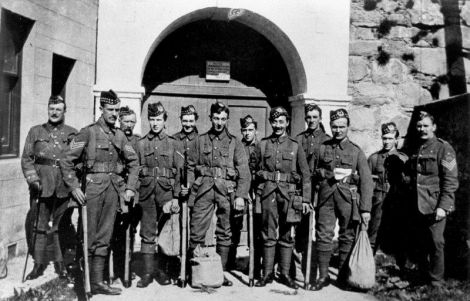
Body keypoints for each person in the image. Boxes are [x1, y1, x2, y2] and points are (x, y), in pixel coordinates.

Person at [60, 90, 139, 295]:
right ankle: (83, 281)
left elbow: (134, 162)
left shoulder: (120, 135)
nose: (114, 113)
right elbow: (67, 161)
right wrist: (74, 187)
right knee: (88, 236)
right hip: (91, 191)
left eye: (116, 110)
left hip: (112, 190)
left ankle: (97, 282)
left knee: (105, 236)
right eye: (110, 109)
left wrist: (130, 188)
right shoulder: (88, 133)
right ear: (101, 109)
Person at [188, 101, 250, 287]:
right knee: (197, 230)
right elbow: (190, 166)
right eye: (216, 118)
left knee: (225, 231)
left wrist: (240, 195)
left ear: (227, 119)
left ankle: (219, 274)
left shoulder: (234, 143)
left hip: (226, 191)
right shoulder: (200, 140)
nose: (219, 122)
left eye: (223, 119)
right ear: (210, 118)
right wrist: (190, 187)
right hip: (204, 189)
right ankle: (195, 271)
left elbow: (244, 171)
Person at [313, 108, 373, 291]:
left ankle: (342, 277)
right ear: (330, 126)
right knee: (323, 235)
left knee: (347, 236)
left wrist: (365, 209)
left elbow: (366, 181)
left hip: (348, 199)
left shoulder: (356, 151)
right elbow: (313, 172)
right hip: (326, 198)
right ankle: (323, 276)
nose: (338, 130)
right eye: (334, 127)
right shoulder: (322, 147)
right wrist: (323, 173)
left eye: (342, 127)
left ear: (348, 127)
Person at [21, 95, 77, 280]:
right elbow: (27, 159)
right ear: (48, 109)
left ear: (64, 111)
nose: (54, 112)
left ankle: (60, 264)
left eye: (58, 109)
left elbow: (78, 161)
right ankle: (38, 264)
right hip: (41, 186)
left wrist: (73, 184)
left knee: (60, 227)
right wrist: (33, 179)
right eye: (51, 108)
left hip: (62, 187)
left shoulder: (73, 134)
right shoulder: (35, 131)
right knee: (39, 225)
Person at [254, 106, 311, 289]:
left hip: (289, 194)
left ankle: (285, 274)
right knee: (267, 233)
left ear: (287, 123)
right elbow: (254, 169)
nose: (277, 125)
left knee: (287, 234)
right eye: (274, 122)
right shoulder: (263, 145)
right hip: (268, 192)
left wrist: (306, 199)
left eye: (281, 122)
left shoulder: (295, 145)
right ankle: (267, 273)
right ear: (270, 122)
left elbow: (305, 175)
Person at [405, 111, 458, 287]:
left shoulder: (444, 148)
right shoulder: (417, 147)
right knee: (420, 241)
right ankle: (421, 276)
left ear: (434, 127)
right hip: (417, 203)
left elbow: (450, 180)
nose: (422, 129)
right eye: (419, 126)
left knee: (436, 242)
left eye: (426, 126)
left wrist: (443, 206)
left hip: (435, 204)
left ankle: (436, 281)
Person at [136, 102, 181, 288]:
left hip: (166, 195)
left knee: (164, 234)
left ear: (165, 121)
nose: (155, 123)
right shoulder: (141, 143)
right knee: (147, 233)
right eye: (152, 119)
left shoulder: (173, 143)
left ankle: (161, 271)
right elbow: (136, 170)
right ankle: (147, 273)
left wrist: (176, 196)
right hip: (146, 194)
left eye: (158, 119)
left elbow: (180, 172)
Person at [293, 103, 330, 284]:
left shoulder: (328, 140)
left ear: (320, 118)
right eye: (309, 117)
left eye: (315, 117)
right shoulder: (299, 139)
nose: (312, 120)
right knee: (301, 227)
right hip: (302, 189)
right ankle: (301, 268)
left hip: (321, 189)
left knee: (320, 230)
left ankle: (316, 269)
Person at [110, 106, 140, 284]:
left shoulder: (138, 142)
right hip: (114, 190)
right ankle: (112, 270)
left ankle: (126, 270)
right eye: (126, 121)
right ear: (120, 121)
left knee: (130, 232)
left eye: (132, 122)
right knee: (112, 231)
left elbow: (139, 166)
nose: (129, 125)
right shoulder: (113, 138)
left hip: (132, 193)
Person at [367, 122, 407, 256]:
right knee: (373, 233)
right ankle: (368, 266)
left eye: (390, 138)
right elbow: (366, 183)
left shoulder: (404, 159)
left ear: (396, 139)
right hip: (378, 201)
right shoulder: (374, 158)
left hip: (397, 202)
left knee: (400, 234)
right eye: (384, 138)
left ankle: (399, 268)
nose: (387, 141)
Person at [227, 115, 261, 271]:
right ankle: (230, 261)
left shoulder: (261, 146)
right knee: (235, 225)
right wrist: (242, 190)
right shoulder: (236, 146)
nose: (247, 133)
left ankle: (254, 263)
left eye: (251, 130)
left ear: (256, 130)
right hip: (240, 191)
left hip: (257, 193)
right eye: (245, 130)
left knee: (257, 227)